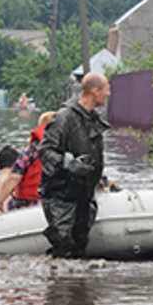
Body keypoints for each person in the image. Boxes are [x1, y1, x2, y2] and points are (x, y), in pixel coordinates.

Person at [38, 72, 111, 258]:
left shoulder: (93, 119)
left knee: (79, 251)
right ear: (95, 91)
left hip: (84, 198)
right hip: (61, 198)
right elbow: (45, 151)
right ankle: (56, 285)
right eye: (107, 89)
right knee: (63, 250)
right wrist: (67, 162)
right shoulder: (64, 118)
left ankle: (76, 287)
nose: (109, 94)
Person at [0, 111, 56, 212]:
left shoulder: (33, 150)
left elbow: (14, 177)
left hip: (30, 204)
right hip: (57, 205)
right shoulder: (67, 149)